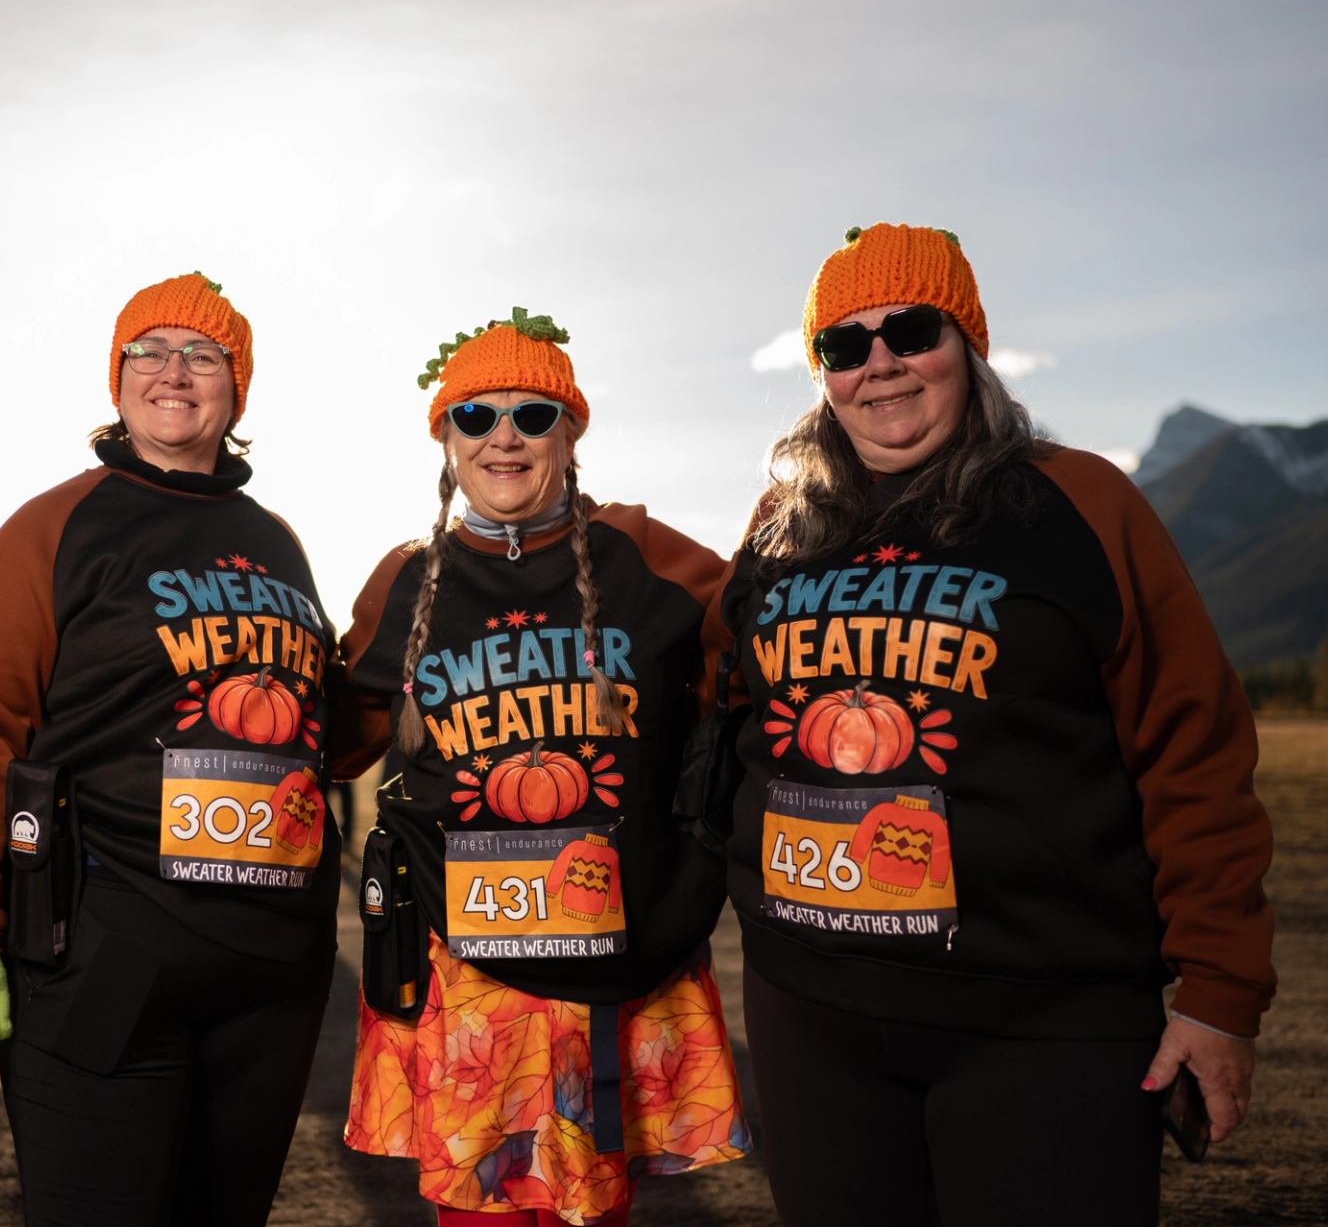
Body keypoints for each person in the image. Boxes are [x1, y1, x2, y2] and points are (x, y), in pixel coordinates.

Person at [711, 223, 1276, 1225]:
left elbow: (1191, 746)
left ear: (966, 345)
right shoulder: (780, 524)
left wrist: (1219, 989)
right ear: (824, 376)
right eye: (844, 346)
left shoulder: (1077, 502)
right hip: (812, 1014)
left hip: (1040, 1020)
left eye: (910, 329)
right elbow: (713, 692)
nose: (879, 363)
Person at [0, 271, 340, 1226]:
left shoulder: (274, 540)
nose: (174, 371)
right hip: (109, 951)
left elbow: (323, 722)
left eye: (203, 354)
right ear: (116, 381)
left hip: (269, 972)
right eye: (147, 350)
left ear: (239, 388)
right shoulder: (54, 527)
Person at [333, 308, 750, 1226]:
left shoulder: (647, 553)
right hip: (470, 976)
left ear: (572, 430)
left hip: (616, 955)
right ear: (445, 439)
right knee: (474, 1219)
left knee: (594, 1214)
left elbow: (764, 659)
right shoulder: (406, 581)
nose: (505, 438)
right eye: (476, 417)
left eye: (533, 413)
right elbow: (334, 732)